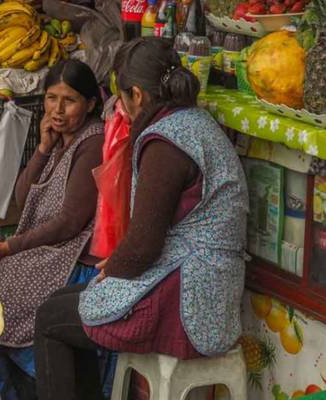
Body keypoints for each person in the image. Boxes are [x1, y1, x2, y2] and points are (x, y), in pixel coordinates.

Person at [34, 37, 248, 400]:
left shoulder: (166, 144)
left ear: (137, 95)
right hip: (204, 286)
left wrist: (113, 267)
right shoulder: (192, 121)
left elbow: (144, 245)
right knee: (63, 304)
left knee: (51, 320)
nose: (121, 109)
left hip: (190, 300)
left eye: (121, 99)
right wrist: (115, 267)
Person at [0, 60, 105, 399]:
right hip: (50, 243)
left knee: (8, 291)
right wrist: (44, 148)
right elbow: (21, 198)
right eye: (50, 98)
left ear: (91, 104)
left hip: (73, 253)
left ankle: (26, 385)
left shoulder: (92, 144)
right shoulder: (61, 140)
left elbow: (70, 221)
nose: (57, 110)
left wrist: (10, 247)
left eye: (69, 100)